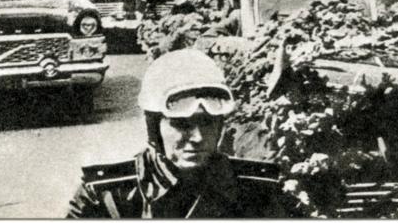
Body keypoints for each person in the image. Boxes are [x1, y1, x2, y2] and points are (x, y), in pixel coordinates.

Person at [67, 49, 291, 218]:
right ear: (154, 127)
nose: (199, 138)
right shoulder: (110, 193)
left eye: (208, 123)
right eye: (182, 124)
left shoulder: (256, 188)